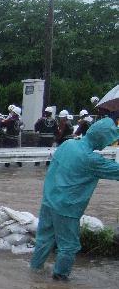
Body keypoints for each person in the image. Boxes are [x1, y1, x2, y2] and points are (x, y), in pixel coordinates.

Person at [30, 118, 119, 280]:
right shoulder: (91, 159)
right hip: (67, 208)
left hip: (49, 201)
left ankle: (34, 271)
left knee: (43, 240)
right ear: (102, 138)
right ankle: (60, 282)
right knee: (68, 246)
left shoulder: (68, 144)